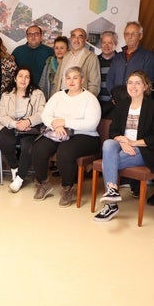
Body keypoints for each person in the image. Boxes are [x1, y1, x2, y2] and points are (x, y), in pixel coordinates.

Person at [93, 71, 154, 221]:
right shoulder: (123, 104)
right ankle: (112, 193)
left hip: (144, 150)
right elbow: (113, 130)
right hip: (122, 146)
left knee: (110, 161)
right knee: (108, 144)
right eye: (130, 82)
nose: (133, 86)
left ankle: (110, 205)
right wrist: (122, 140)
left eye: (138, 83)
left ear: (145, 86)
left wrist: (133, 143)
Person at [32, 66, 101, 207]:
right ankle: (43, 183)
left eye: (75, 77)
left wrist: (65, 122)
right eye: (68, 78)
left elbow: (92, 123)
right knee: (38, 148)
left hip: (85, 135)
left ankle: (67, 188)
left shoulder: (90, 99)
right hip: (58, 132)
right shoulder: (58, 96)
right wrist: (56, 125)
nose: (71, 81)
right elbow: (45, 115)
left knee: (65, 151)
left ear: (82, 80)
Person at [0, 67, 46, 193]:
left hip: (30, 127)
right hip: (12, 125)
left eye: (27, 76)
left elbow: (42, 113)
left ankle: (19, 178)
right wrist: (15, 124)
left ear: (30, 79)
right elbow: (1, 115)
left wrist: (28, 121)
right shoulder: (6, 95)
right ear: (15, 78)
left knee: (27, 146)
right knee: (4, 141)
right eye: (20, 76)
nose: (23, 79)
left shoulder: (37, 94)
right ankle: (14, 167)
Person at [106, 21, 154, 102]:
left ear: (140, 36)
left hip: (136, 102)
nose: (130, 37)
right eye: (127, 34)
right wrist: (113, 96)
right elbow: (110, 78)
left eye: (134, 34)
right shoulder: (118, 56)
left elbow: (147, 82)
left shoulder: (148, 57)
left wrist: (133, 100)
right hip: (116, 102)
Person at [52, 28, 101, 96]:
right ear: (71, 39)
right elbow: (57, 80)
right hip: (62, 97)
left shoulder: (91, 57)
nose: (76, 40)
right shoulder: (66, 56)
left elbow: (94, 85)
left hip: (80, 99)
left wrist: (86, 101)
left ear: (85, 39)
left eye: (80, 37)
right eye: (74, 36)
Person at [97, 31, 118, 117]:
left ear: (115, 44)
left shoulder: (121, 60)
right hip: (96, 104)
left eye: (110, 43)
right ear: (101, 44)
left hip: (115, 105)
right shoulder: (95, 60)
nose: (106, 46)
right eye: (104, 42)